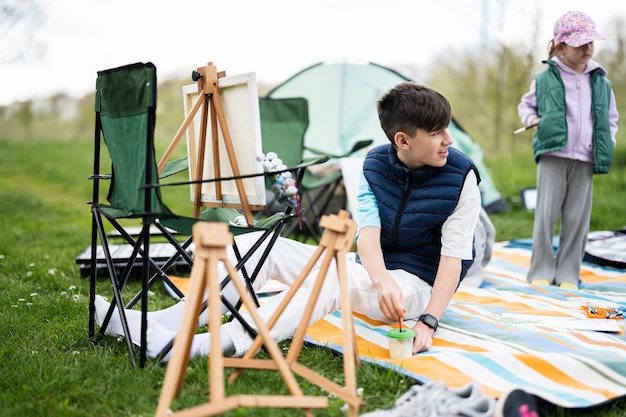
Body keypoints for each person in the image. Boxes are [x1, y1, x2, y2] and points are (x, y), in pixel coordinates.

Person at [94, 82, 483, 360]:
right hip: (373, 269)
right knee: (257, 247)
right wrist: (379, 279)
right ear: (402, 140)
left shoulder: (462, 177)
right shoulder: (374, 164)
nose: (448, 140)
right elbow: (369, 232)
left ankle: (206, 346)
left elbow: (453, 258)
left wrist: (428, 320)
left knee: (331, 279)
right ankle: (157, 323)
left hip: (417, 284)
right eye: (436, 132)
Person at [517, 10, 618, 289]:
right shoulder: (545, 78)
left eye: (590, 43)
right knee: (546, 215)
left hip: (586, 157)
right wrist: (534, 120)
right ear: (561, 46)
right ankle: (541, 270)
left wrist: (608, 141)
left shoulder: (601, 82)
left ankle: (568, 274)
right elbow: (526, 106)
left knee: (577, 218)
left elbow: (610, 119)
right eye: (580, 43)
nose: (587, 49)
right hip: (553, 153)